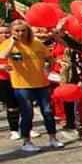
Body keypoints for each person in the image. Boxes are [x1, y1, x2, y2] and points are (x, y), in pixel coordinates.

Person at [0, 21, 63, 152]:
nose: (20, 33)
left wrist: (48, 69)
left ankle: (53, 138)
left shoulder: (37, 43)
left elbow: (50, 58)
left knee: (48, 112)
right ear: (12, 32)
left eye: (23, 30)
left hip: (41, 83)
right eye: (16, 30)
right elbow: (3, 56)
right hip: (22, 85)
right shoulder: (8, 44)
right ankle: (26, 141)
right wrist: (13, 42)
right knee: (27, 114)